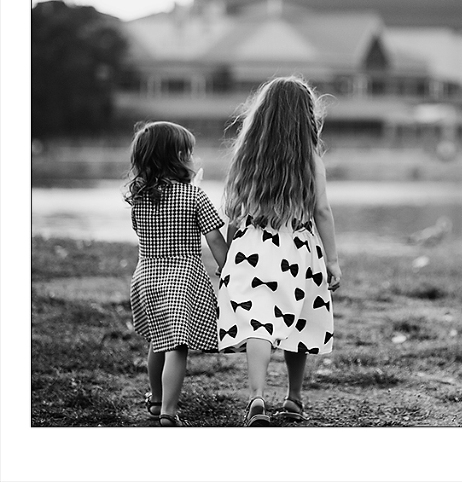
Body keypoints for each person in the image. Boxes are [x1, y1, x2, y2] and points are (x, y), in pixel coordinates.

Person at [217, 76, 341, 426]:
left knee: (258, 322)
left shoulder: (248, 155)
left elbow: (235, 212)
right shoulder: (310, 159)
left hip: (251, 245)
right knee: (300, 321)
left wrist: (229, 255)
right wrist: (332, 261)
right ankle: (293, 398)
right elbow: (322, 212)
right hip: (298, 249)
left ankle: (256, 397)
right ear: (306, 117)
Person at [125, 121, 228, 427]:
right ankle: (169, 412)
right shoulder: (194, 196)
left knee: (158, 340)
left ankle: (156, 400)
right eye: (188, 152)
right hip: (182, 279)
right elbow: (215, 240)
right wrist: (228, 268)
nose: (193, 157)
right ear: (178, 157)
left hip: (146, 276)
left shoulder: (139, 198)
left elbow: (142, 233)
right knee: (177, 346)